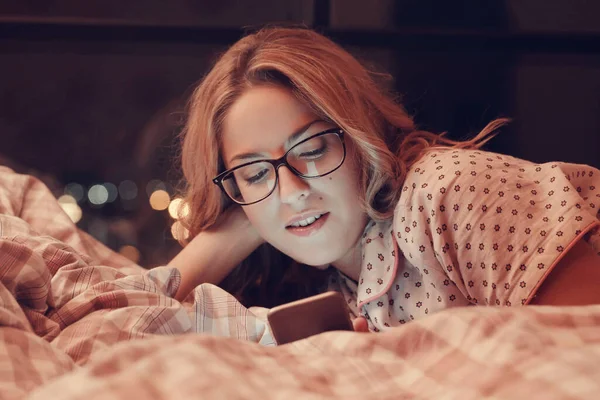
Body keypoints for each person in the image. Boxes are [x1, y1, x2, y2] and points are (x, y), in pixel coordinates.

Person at [169, 26, 600, 333]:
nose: (292, 191)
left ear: (360, 135)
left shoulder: (447, 191)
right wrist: (228, 235)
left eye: (313, 149)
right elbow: (125, 325)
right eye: (255, 172)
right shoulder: (320, 287)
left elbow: (585, 343)